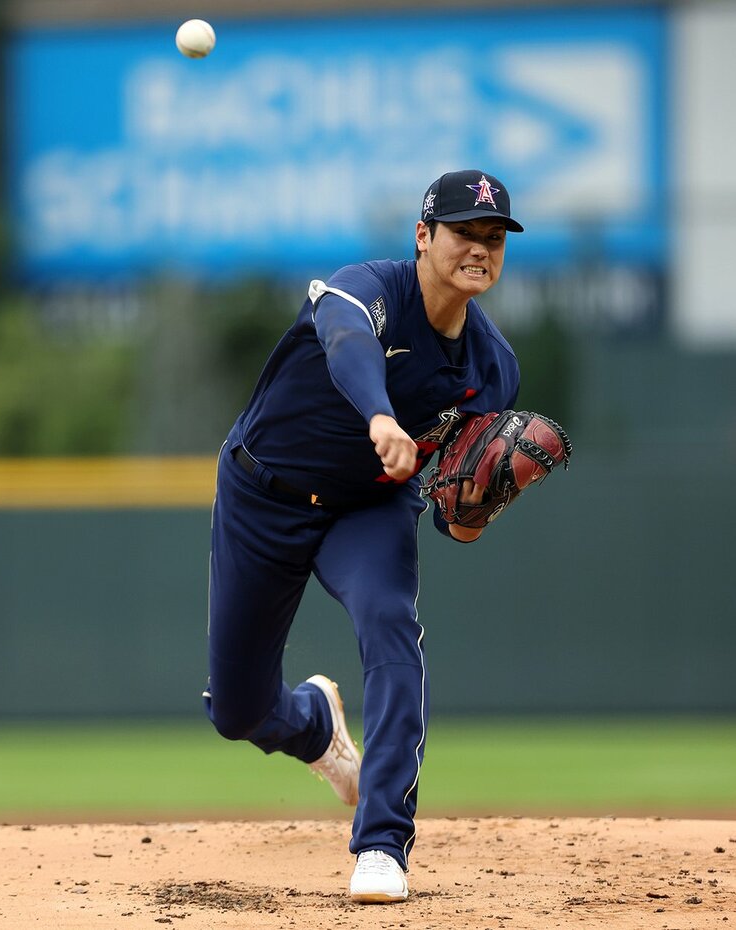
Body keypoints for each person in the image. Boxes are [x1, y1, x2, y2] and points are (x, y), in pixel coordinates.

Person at [204, 169, 524, 902]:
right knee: (238, 711)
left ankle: (383, 842)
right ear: (423, 236)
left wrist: (475, 510)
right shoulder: (370, 287)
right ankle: (315, 725)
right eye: (464, 232)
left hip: (367, 510)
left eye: (494, 237)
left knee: (391, 625)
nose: (480, 247)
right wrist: (380, 416)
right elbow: (346, 339)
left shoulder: (494, 368)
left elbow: (457, 513)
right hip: (263, 492)